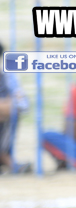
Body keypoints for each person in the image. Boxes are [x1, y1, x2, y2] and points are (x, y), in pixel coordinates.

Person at [0, 42, 30, 174]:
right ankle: (7, 160)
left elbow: (23, 105)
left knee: (12, 114)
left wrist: (6, 108)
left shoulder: (7, 78)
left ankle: (5, 158)